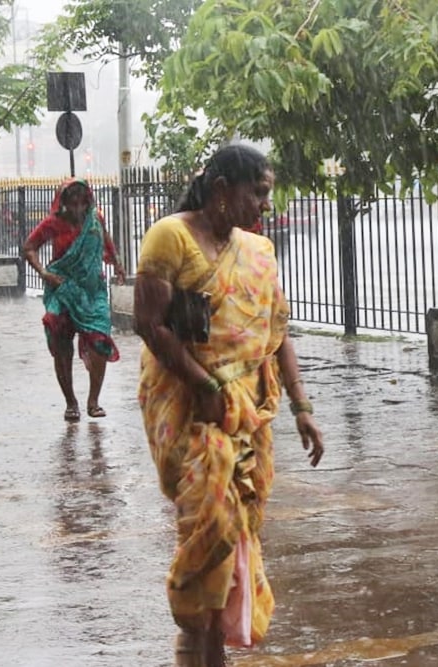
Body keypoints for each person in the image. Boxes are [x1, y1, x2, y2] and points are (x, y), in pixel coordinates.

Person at [133, 144, 324, 667]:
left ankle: (208, 648)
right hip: (188, 408)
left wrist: (302, 407)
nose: (266, 204)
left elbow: (276, 333)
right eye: (257, 192)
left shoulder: (258, 251)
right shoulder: (170, 235)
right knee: (211, 523)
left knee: (237, 529)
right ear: (222, 191)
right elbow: (148, 324)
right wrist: (203, 385)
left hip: (248, 411)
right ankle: (195, 639)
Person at [21, 178, 127, 421]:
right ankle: (70, 402)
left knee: (100, 339)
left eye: (82, 202)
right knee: (59, 337)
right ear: (63, 203)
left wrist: (117, 264)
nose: (79, 208)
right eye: (73, 203)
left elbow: (106, 241)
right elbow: (29, 247)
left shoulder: (94, 219)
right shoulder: (53, 223)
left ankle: (93, 401)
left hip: (92, 290)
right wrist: (44, 273)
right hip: (63, 288)